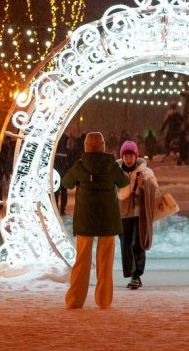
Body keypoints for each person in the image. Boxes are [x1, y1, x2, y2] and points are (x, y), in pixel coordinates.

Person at [61, 132, 130, 310]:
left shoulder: (79, 166)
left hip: (85, 219)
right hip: (108, 219)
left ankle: (75, 300)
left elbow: (66, 183)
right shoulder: (111, 165)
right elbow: (123, 182)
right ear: (103, 146)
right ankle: (104, 299)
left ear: (85, 147)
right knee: (105, 261)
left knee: (82, 260)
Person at [116, 140, 160, 290]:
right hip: (121, 215)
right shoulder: (116, 172)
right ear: (122, 157)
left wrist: (144, 187)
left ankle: (136, 276)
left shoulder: (145, 172)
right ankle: (131, 273)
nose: (128, 159)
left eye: (131, 156)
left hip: (138, 214)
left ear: (136, 156)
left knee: (137, 243)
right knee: (125, 245)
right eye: (126, 156)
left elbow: (156, 191)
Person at [53, 135, 74, 216]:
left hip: (56, 175)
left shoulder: (55, 151)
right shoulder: (68, 152)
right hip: (64, 175)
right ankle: (62, 210)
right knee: (64, 193)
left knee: (56, 193)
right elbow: (71, 163)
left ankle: (56, 209)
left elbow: (52, 163)